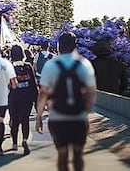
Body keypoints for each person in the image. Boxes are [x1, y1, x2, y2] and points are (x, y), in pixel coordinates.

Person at [36, 32, 97, 171]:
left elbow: (43, 93)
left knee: (62, 155)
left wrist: (39, 116)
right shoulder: (84, 64)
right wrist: (85, 111)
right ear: (75, 46)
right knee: (78, 155)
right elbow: (91, 91)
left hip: (57, 117)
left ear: (58, 46)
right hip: (78, 117)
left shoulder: (51, 65)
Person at [8, 44, 38, 155]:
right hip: (27, 98)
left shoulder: (9, 67)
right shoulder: (28, 66)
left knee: (14, 120)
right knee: (25, 119)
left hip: (13, 98)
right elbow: (33, 84)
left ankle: (14, 143)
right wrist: (36, 99)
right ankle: (25, 140)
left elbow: (7, 85)